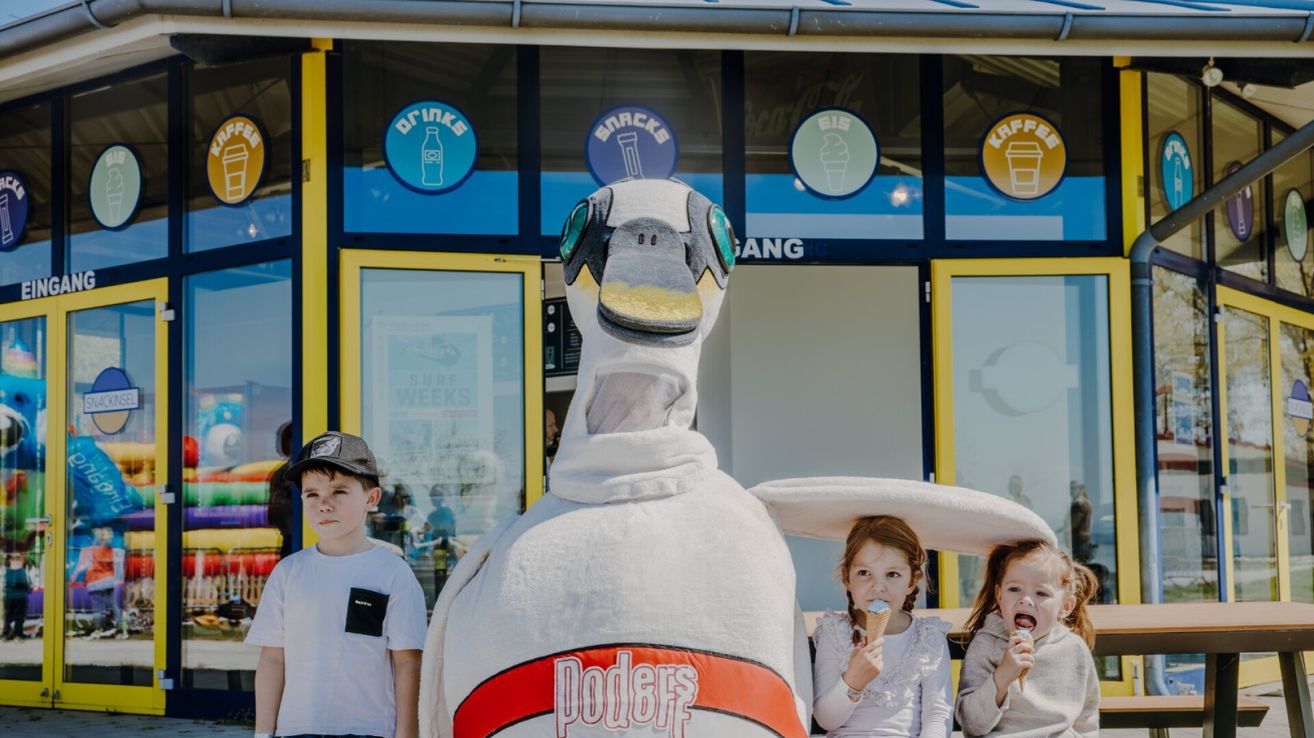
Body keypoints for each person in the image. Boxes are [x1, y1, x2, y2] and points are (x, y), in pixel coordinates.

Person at [246, 431, 428, 738]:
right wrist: (264, 734)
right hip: (296, 729)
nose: (324, 505)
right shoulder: (288, 573)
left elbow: (408, 664)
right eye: (312, 494)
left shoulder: (393, 573)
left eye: (339, 492)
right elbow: (273, 659)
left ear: (371, 499)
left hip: (369, 730)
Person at [812, 516, 953, 738]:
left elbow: (937, 716)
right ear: (847, 578)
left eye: (892, 574)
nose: (878, 586)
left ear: (911, 581)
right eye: (864, 573)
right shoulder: (835, 633)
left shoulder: (928, 638)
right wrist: (854, 680)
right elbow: (826, 720)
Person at [954, 540, 1100, 738]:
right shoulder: (986, 645)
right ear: (999, 595)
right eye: (1014, 589)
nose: (1025, 599)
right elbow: (971, 726)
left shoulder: (1074, 649)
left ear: (1065, 606)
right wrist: (1003, 675)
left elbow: (1087, 718)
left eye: (1041, 593)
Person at [3, 552, 31, 640]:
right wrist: (29, 588)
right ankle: (18, 633)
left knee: (8, 616)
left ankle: (6, 633)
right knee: (19, 616)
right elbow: (25, 584)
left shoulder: (7, 571)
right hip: (20, 597)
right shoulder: (21, 572)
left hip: (9, 597)